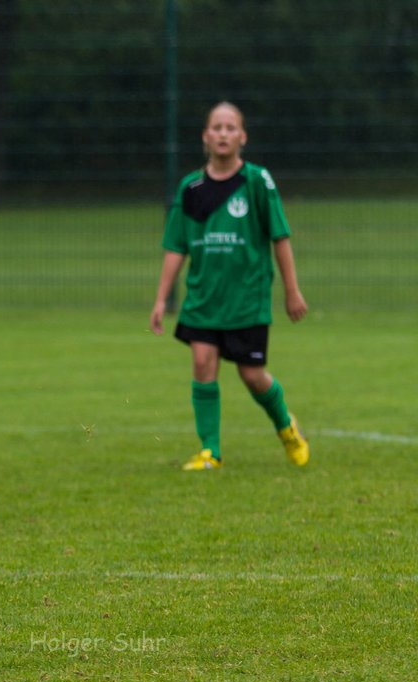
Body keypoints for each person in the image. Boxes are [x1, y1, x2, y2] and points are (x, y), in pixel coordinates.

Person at [150, 101, 310, 470]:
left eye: (230, 127)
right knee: (202, 361)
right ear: (206, 137)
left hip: (247, 298)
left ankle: (286, 427)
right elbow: (176, 245)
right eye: (216, 128)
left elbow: (279, 236)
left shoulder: (256, 181)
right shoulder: (191, 187)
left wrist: (291, 289)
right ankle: (211, 452)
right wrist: (161, 299)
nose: (223, 133)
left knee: (252, 376)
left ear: (242, 136)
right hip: (204, 296)